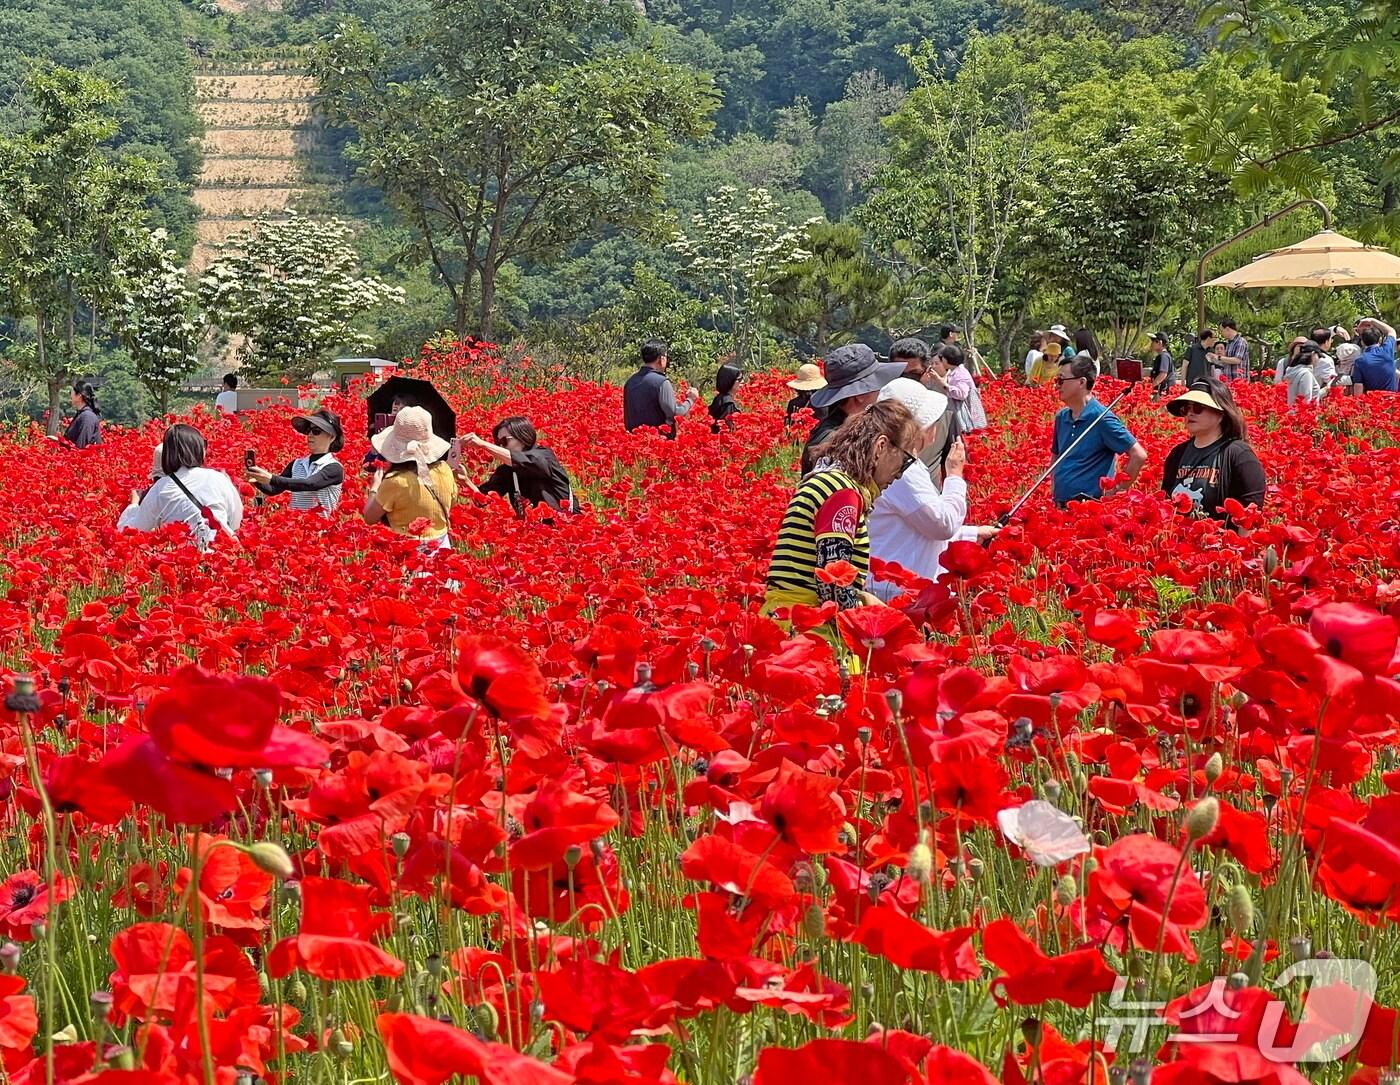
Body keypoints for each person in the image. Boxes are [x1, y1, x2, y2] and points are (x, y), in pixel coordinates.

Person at [763, 400, 920, 661]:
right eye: (905, 461)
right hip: (809, 636)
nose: (901, 474)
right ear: (881, 447)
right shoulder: (842, 493)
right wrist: (873, 624)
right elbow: (832, 584)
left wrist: (863, 596)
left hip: (788, 622)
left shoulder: (827, 479)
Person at [867, 379, 997, 600]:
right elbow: (941, 525)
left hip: (896, 582)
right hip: (897, 590)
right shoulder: (901, 469)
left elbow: (917, 524)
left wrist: (972, 533)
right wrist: (954, 474)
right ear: (919, 429)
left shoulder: (891, 458)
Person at [118, 424, 242, 549]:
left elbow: (133, 530)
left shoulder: (161, 487)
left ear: (168, 454)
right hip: (221, 554)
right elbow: (236, 519)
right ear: (199, 449)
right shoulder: (218, 478)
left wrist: (133, 504)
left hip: (184, 555)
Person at [1162, 378, 1265, 527]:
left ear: (1221, 413)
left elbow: (1249, 517)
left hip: (1220, 546)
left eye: (1198, 408)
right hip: (1181, 545)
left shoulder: (1239, 455)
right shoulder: (1177, 454)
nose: (1190, 413)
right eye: (1186, 408)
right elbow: (1165, 505)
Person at [1051, 357, 1148, 505]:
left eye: (1061, 380)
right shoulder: (1062, 417)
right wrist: (1054, 487)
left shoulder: (1101, 419)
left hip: (1088, 508)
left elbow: (1139, 455)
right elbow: (1056, 457)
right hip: (1060, 504)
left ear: (1081, 382)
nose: (1057, 386)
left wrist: (1115, 492)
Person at [362, 405, 459, 549]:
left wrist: (374, 488)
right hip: (441, 549)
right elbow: (453, 502)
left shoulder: (396, 482)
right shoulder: (444, 470)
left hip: (407, 552)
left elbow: (369, 518)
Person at [801, 344, 904, 474]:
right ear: (860, 395)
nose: (881, 391)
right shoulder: (834, 443)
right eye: (877, 385)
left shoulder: (848, 427)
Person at [464, 416, 576, 518]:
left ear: (522, 436)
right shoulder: (506, 471)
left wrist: (483, 445)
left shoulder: (544, 456)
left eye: (504, 441)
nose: (501, 446)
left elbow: (522, 460)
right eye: (498, 443)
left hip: (566, 527)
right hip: (532, 534)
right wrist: (464, 480)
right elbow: (483, 500)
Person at [247, 408, 346, 515]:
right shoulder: (296, 464)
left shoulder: (334, 467)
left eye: (316, 431)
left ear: (331, 437)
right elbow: (273, 489)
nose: (310, 435)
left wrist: (271, 478)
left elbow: (309, 484)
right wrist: (256, 478)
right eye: (309, 431)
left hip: (321, 530)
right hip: (295, 527)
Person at [623, 341, 699, 437]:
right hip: (658, 443)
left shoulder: (630, 381)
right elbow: (675, 412)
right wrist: (691, 399)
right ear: (661, 359)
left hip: (633, 441)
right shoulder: (661, 382)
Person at [936, 345, 987, 434]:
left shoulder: (960, 374)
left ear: (948, 359)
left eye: (942, 358)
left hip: (966, 415)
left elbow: (961, 394)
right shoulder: (955, 371)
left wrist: (943, 384)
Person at [1353, 317, 1397, 392]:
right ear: (1379, 339)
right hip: (1391, 401)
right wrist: (1372, 320)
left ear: (1362, 342)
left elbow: (1358, 386)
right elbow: (1391, 331)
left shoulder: (1359, 361)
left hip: (1371, 402)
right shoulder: (1387, 350)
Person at [64, 381, 102, 448]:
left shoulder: (87, 416)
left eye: (71, 393)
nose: (70, 396)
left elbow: (83, 445)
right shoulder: (82, 414)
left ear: (79, 396)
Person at [708, 362, 743, 433]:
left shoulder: (720, 398)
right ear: (730, 381)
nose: (742, 381)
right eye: (739, 379)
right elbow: (727, 430)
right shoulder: (728, 404)